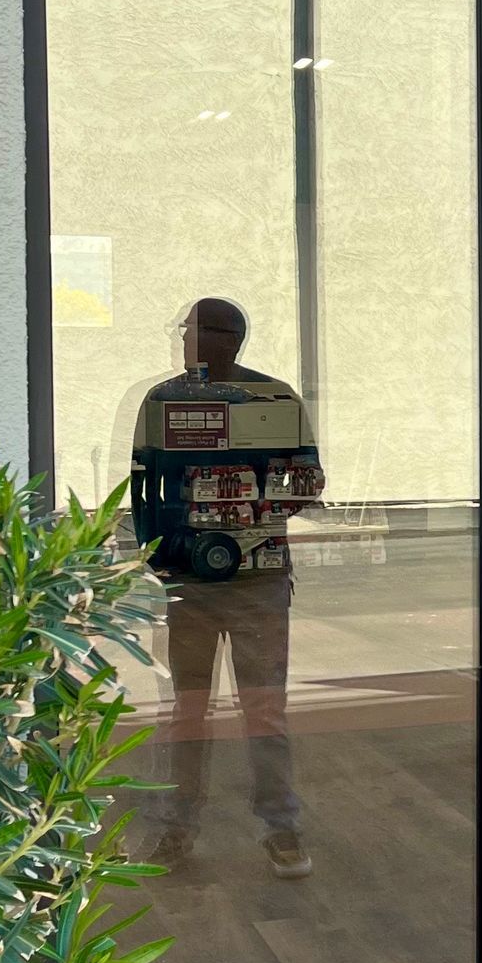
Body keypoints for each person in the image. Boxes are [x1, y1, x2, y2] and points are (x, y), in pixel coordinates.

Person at [129, 298, 321, 882]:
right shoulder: (163, 402)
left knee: (264, 708)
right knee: (186, 711)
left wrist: (251, 515)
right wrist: (159, 557)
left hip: (258, 580)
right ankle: (176, 826)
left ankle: (280, 826)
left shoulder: (274, 398)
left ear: (228, 337)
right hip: (187, 582)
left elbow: (309, 480)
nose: (187, 337)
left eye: (197, 328)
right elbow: (140, 487)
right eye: (186, 327)